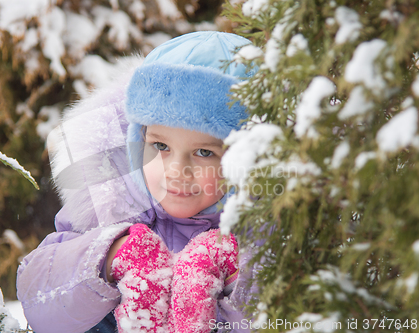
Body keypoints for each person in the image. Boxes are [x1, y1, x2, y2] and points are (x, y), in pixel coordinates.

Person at [16, 31, 259, 333]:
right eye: (160, 146)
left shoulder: (272, 236)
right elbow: (38, 302)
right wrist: (109, 257)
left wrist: (235, 273)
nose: (176, 170)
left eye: (204, 152)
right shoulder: (107, 208)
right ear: (137, 141)